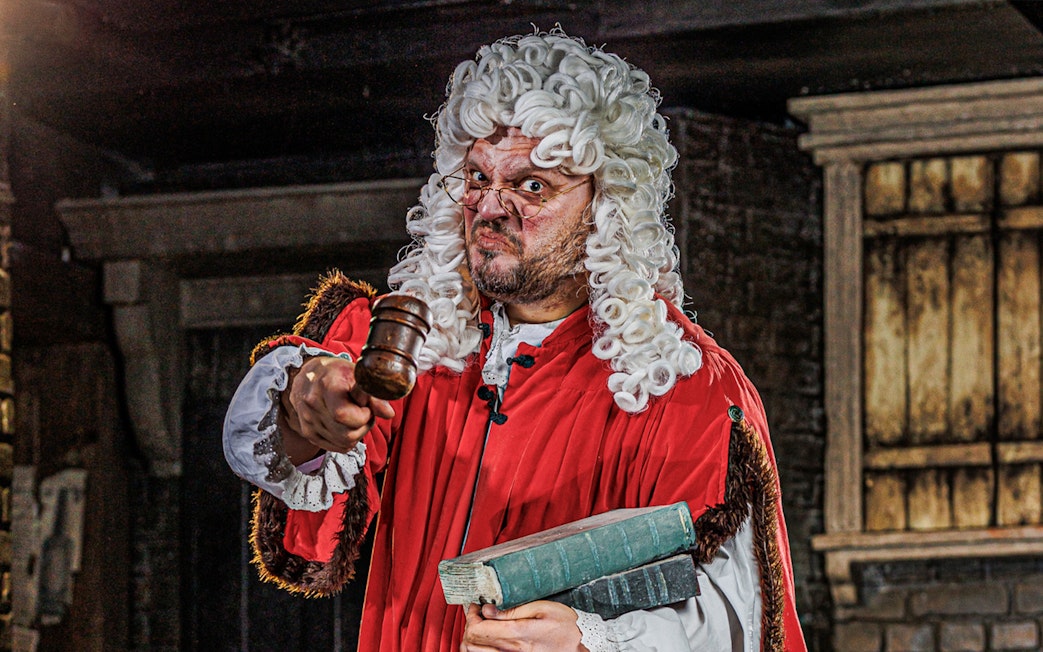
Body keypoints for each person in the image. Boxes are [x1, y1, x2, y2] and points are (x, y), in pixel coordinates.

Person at [223, 28, 807, 651]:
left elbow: (737, 620)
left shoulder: (682, 386)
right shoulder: (411, 346)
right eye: (477, 179)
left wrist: (590, 642)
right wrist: (303, 408)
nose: (491, 208)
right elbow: (298, 463)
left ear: (606, 207)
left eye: (533, 186)